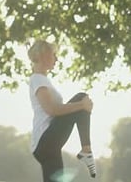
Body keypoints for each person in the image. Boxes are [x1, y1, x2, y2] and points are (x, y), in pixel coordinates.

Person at [28, 40, 97, 181]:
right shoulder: (37, 79)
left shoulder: (42, 80)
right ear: (43, 56)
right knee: (81, 97)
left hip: (48, 145)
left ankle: (86, 151)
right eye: (53, 55)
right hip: (46, 140)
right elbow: (52, 110)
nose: (56, 59)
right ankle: (86, 150)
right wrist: (81, 106)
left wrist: (81, 107)